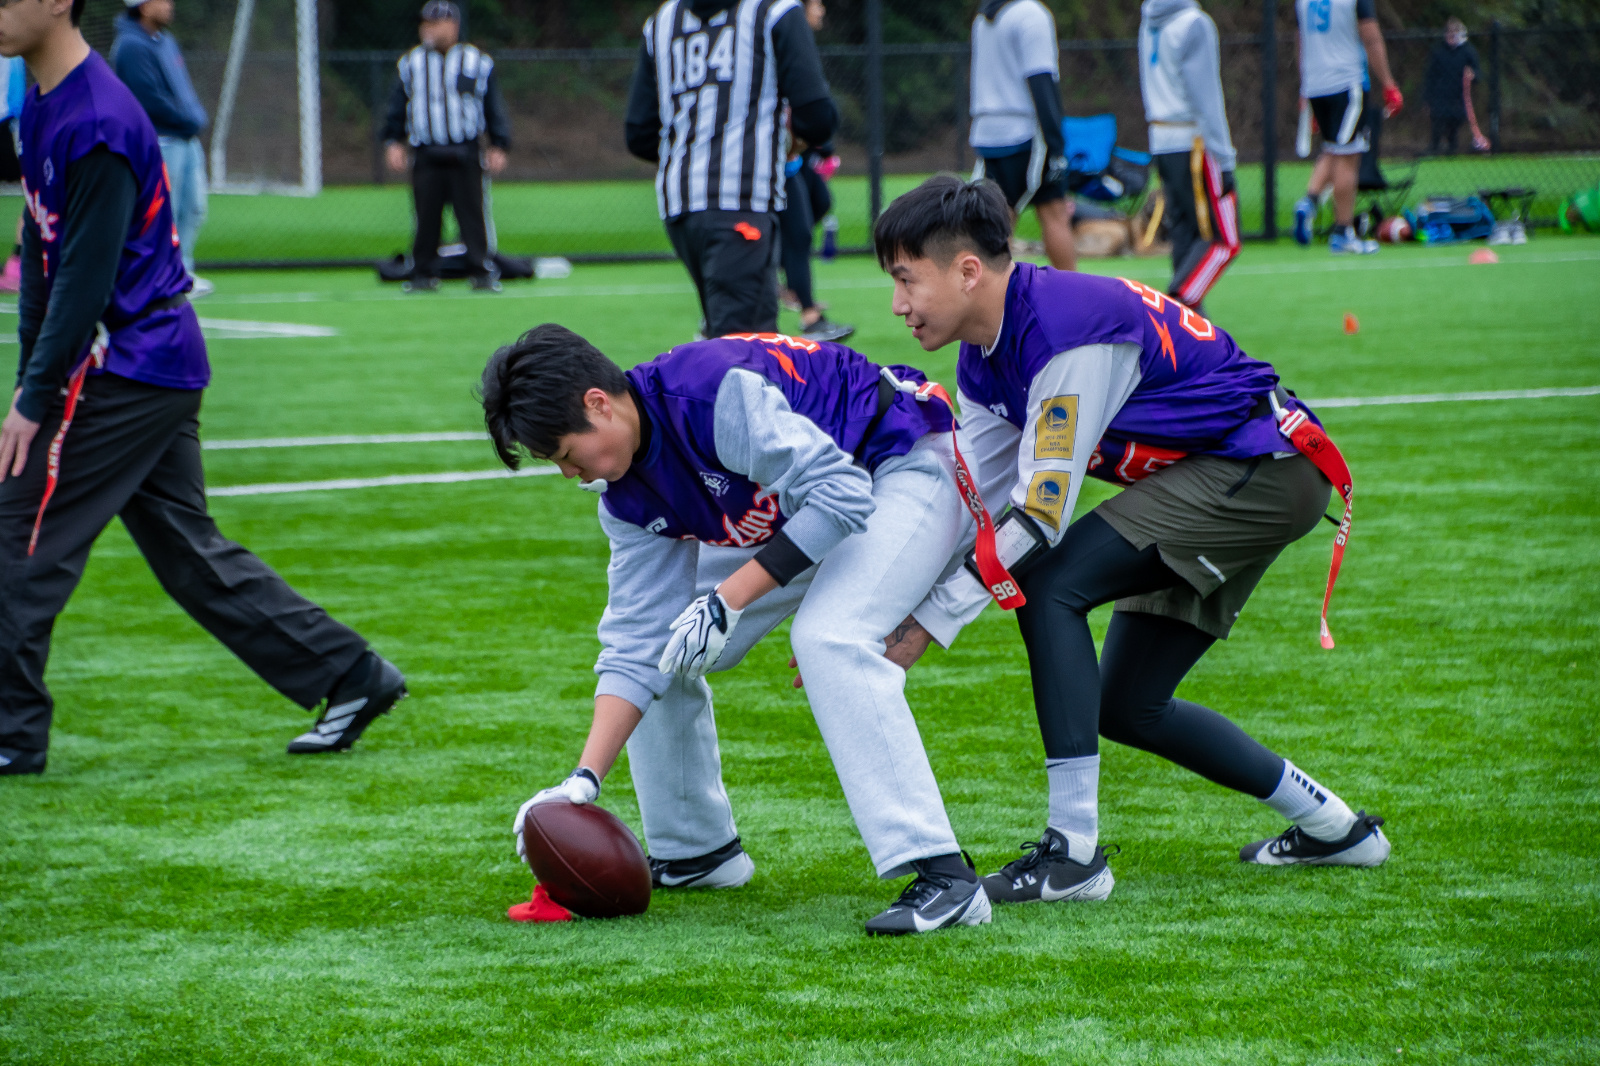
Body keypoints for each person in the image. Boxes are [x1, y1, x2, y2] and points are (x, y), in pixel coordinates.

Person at [873, 176, 1390, 904]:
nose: (896, 304)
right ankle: (1338, 828)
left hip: (1263, 468)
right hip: (1231, 470)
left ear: (966, 271)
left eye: (906, 280)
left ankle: (1074, 856)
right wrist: (879, 606)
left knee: (1048, 582)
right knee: (1127, 704)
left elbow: (1038, 517)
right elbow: (971, 505)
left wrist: (927, 622)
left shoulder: (1065, 330)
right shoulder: (984, 355)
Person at [0, 0, 407, 776]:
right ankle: (353, 675)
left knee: (15, 526)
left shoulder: (98, 121)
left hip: (130, 365)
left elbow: (82, 281)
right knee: (191, 555)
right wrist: (29, 379)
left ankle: (12, 734)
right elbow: (40, 248)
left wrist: (32, 398)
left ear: (56, 1)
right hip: (154, 364)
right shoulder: (42, 100)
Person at [482, 325, 998, 936]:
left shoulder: (710, 396)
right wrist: (582, 780)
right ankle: (696, 852)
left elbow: (842, 496)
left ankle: (945, 874)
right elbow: (635, 643)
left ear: (598, 403)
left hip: (902, 463)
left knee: (829, 639)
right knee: (669, 642)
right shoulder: (624, 495)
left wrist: (727, 599)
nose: (571, 474)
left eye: (567, 454)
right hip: (813, 509)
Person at [624, 0, 838, 339]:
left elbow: (639, 134)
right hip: (742, 201)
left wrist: (697, 149)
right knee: (746, 346)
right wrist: (783, 141)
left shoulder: (662, 21)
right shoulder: (774, 10)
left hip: (680, 204)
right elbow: (817, 117)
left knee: (723, 332)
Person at [381, 0, 510, 293]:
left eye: (435, 23)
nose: (428, 29)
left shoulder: (477, 61)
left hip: (465, 148)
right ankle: (423, 272)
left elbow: (492, 105)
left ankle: (480, 270)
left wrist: (499, 143)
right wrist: (393, 141)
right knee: (426, 215)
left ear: (453, 26)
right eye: (425, 23)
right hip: (427, 150)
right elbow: (398, 106)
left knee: (472, 214)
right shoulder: (411, 63)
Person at [1138, 0, 1239, 314]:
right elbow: (1206, 98)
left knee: (1185, 234)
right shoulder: (1194, 23)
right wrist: (1225, 157)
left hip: (1161, 139)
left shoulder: (1149, 20)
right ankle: (1173, 307)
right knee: (1224, 239)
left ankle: (1190, 327)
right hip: (1193, 142)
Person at [108, 0, 212, 297]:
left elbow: (182, 91)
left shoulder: (165, 41)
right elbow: (150, 100)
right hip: (161, 141)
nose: (169, 5)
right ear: (142, 6)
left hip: (185, 139)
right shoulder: (130, 46)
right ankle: (163, 276)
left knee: (194, 208)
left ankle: (182, 271)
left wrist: (194, 117)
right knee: (164, 213)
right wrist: (189, 120)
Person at [968, 0, 1076, 271]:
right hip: (1024, 133)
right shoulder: (1031, 14)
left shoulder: (982, 19)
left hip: (987, 132)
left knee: (998, 218)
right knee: (1053, 213)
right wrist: (1056, 145)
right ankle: (1072, 292)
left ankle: (988, 293)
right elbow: (1041, 80)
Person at [1291, 0, 1401, 254]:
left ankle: (1309, 202)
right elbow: (1371, 37)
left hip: (1316, 84)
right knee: (1348, 157)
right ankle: (1342, 231)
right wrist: (1388, 82)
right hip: (1346, 82)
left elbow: (1300, 42)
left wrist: (1305, 86)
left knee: (1333, 149)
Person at [776, 0, 853, 343]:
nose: (821, 10)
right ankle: (807, 312)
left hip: (789, 159)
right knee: (794, 231)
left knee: (809, 216)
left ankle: (798, 297)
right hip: (770, 161)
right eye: (816, 3)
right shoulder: (782, 32)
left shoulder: (794, 39)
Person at [1422, 18, 1488, 155]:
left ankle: (1452, 148)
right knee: (1437, 121)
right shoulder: (1439, 51)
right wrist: (1427, 97)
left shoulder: (1468, 51)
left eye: (1455, 32)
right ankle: (1434, 147)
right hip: (1440, 93)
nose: (1451, 35)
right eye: (1449, 32)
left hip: (1459, 95)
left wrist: (1473, 74)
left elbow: (1477, 72)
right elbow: (1430, 75)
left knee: (1454, 122)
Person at [0, 54, 24, 294]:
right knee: (34, 192)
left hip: (5, 127)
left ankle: (16, 265)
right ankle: (15, 266)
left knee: (33, 192)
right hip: (5, 126)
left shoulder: (12, 52)